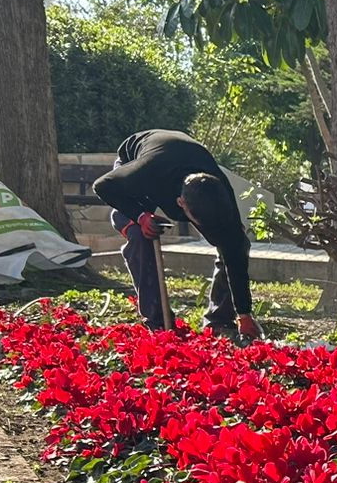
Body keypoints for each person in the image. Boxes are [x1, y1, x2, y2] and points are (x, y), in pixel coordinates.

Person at [93, 130, 261, 340]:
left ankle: (219, 320)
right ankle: (157, 322)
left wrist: (244, 313)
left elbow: (234, 250)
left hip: (181, 158)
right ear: (181, 204)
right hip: (141, 162)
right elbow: (102, 186)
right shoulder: (145, 172)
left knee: (236, 241)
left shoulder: (218, 189)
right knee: (139, 234)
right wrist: (141, 215)